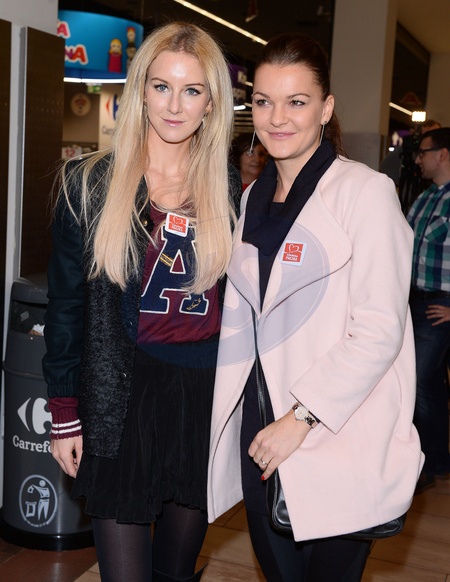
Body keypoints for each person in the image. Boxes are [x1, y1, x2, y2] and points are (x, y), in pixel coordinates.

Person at [207, 32, 423, 581]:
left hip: (333, 429)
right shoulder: (251, 199)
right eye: (263, 101)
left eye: (296, 101)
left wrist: (301, 418)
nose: (277, 118)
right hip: (260, 431)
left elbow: (379, 330)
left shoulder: (365, 193)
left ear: (325, 109)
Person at [42, 21, 240, 582]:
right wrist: (63, 413)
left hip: (200, 398)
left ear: (211, 103)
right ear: (141, 91)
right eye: (161, 86)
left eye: (192, 90)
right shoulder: (88, 184)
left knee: (175, 571)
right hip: (119, 397)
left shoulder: (227, 189)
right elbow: (65, 307)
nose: (174, 105)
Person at [407, 127, 450, 494]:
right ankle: (437, 460)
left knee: (418, 380)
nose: (418, 159)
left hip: (442, 305)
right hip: (416, 301)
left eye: (423, 152)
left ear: (443, 154)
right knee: (430, 383)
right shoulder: (425, 198)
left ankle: (423, 461)